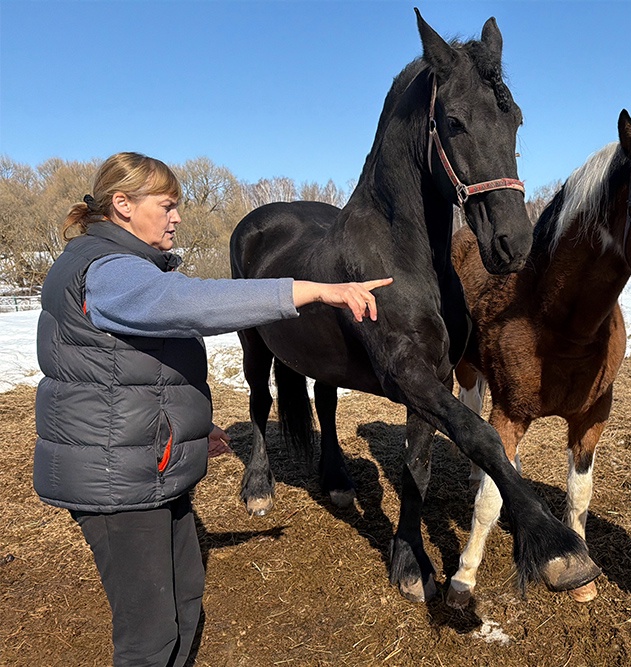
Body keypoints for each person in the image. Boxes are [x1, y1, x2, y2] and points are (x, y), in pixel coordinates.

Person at [33, 152, 392, 667]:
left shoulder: (121, 267)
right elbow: (195, 303)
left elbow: (132, 375)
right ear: (122, 205)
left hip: (141, 464)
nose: (177, 216)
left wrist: (191, 430)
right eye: (167, 205)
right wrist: (316, 291)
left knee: (183, 599)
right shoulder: (107, 271)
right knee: (148, 636)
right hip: (116, 482)